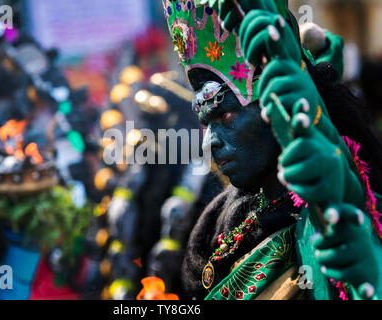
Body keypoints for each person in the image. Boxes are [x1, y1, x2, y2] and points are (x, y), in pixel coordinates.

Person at [162, 0, 381, 300]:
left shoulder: (338, 210)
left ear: (274, 105)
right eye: (207, 123)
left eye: (225, 115)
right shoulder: (221, 221)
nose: (209, 141)